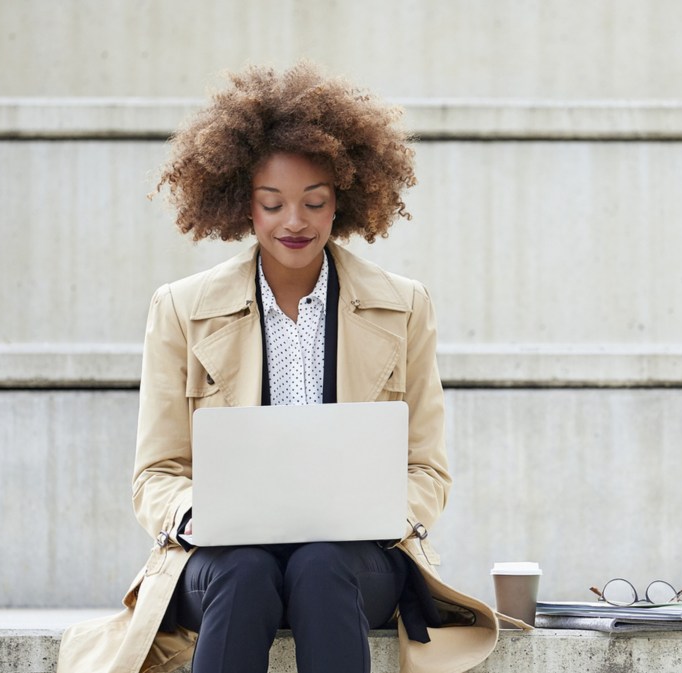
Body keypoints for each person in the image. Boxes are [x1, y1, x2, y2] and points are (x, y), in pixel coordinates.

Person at [56, 62, 516, 673]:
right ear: (242, 205)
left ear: (342, 203)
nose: (293, 222)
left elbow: (426, 467)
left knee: (321, 563)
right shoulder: (181, 308)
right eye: (272, 204)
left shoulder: (404, 306)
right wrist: (200, 513)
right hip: (222, 563)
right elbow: (156, 473)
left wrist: (387, 510)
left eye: (314, 202)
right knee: (246, 568)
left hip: (354, 563)